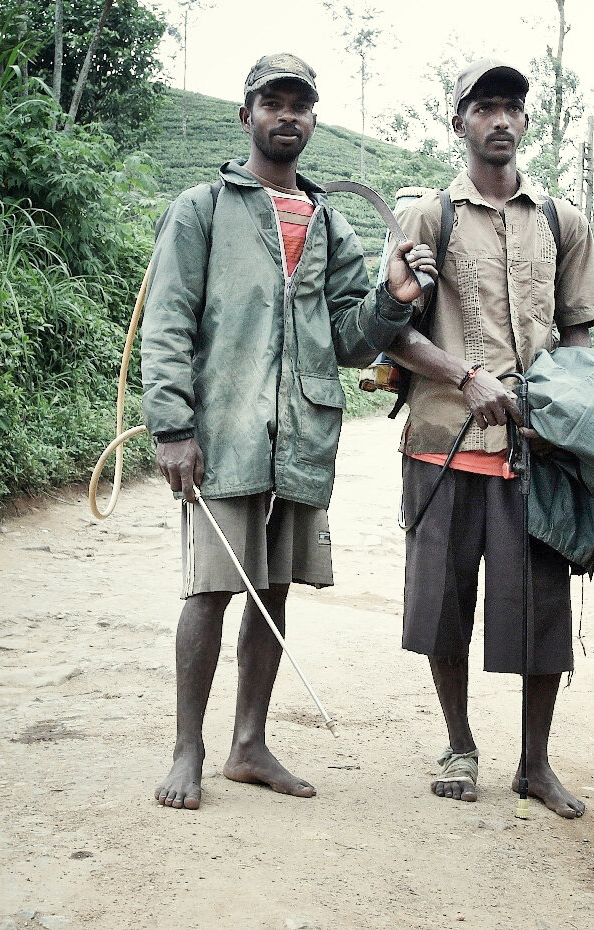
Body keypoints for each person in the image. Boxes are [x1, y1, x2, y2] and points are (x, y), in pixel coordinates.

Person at [141, 53, 434, 811]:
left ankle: (248, 743)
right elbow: (168, 323)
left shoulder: (330, 222)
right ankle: (187, 748)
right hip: (224, 427)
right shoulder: (201, 208)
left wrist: (393, 301)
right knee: (210, 589)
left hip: (300, 432)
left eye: (301, 105)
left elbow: (348, 340)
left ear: (313, 119)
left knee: (272, 591)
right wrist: (172, 425)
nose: (288, 116)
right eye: (273, 102)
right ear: (247, 116)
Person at [383, 59, 594, 819]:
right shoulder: (425, 217)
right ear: (459, 123)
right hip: (442, 444)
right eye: (485, 107)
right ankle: (458, 743)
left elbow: (577, 333)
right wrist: (467, 378)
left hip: (534, 451)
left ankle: (535, 764)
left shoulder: (560, 220)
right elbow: (393, 335)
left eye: (511, 107)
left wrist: (584, 417)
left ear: (525, 122)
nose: (500, 120)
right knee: (443, 601)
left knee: (539, 606)